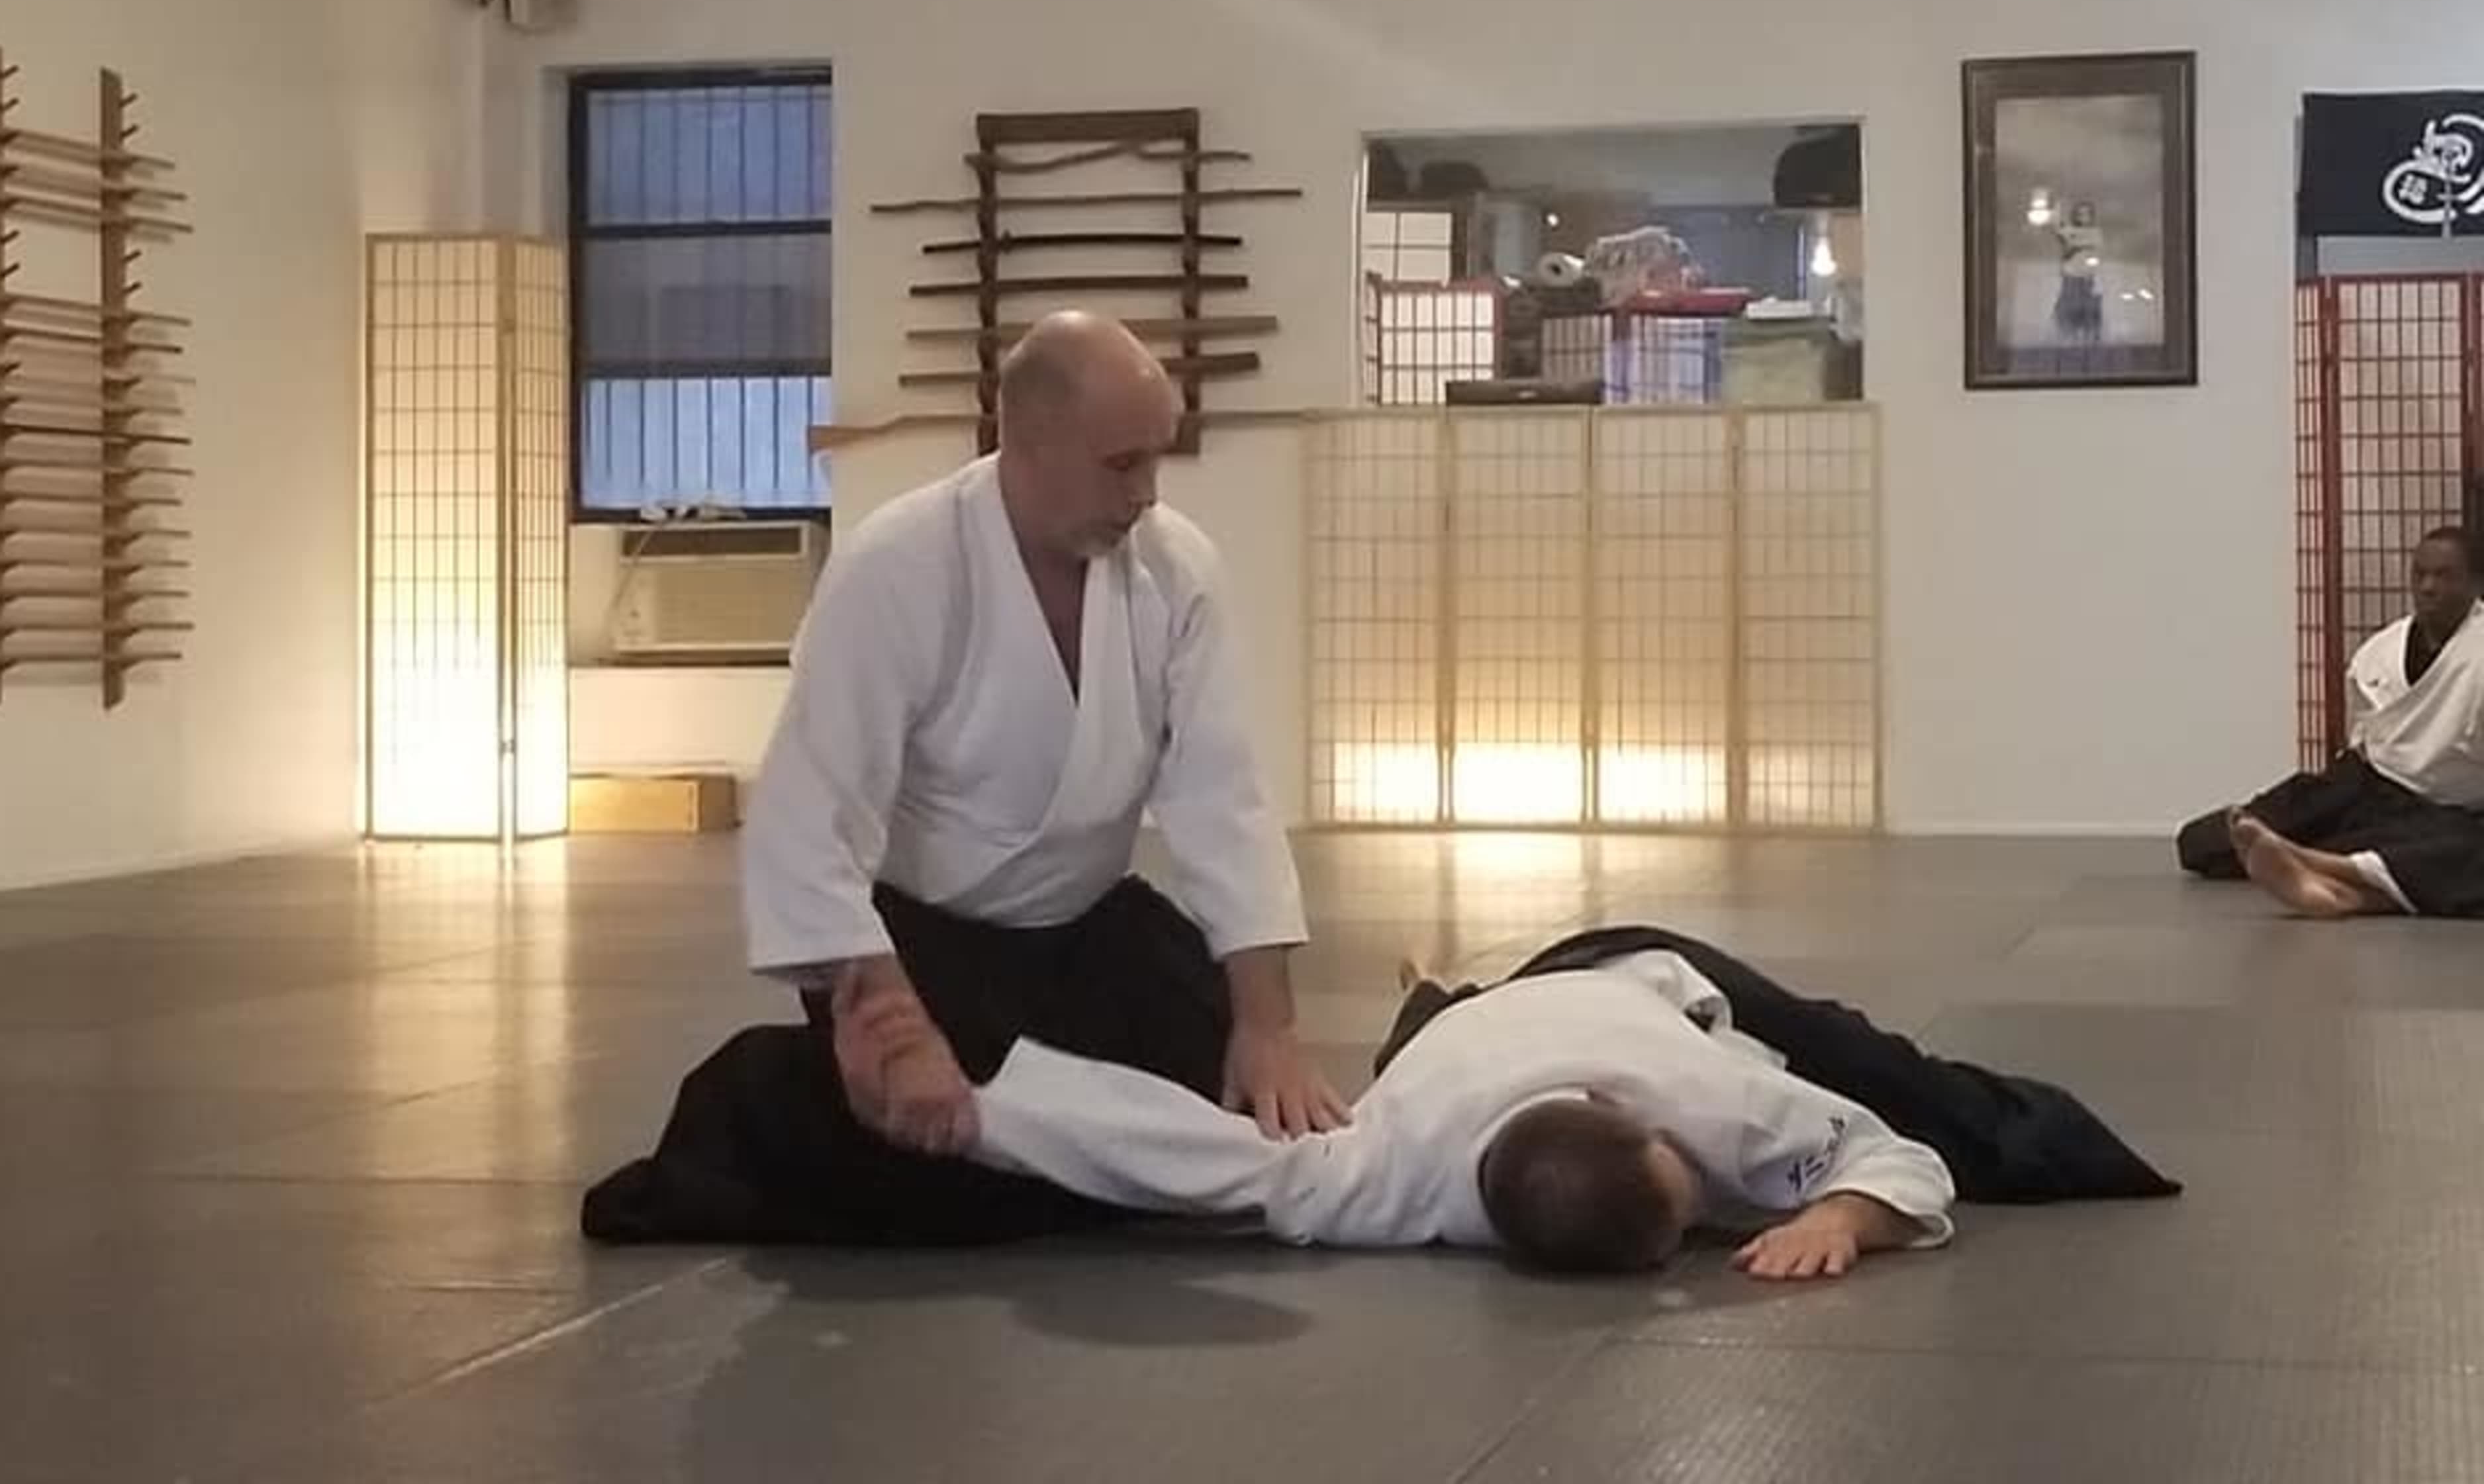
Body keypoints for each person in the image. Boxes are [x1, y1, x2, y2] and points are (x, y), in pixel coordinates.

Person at [581, 311, 1344, 1248]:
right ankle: (755, 1104)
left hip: (1084, 931)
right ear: (1028, 444)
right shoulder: (901, 566)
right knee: (944, 1147)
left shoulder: (1176, 570)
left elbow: (1221, 795)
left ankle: (979, 1126)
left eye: (1157, 461)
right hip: (917, 946)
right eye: (1121, 465)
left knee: (1223, 1107)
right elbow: (810, 814)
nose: (1147, 494)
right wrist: (893, 1027)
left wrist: (1267, 1024)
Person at [901, 925, 2177, 1280]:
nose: (1711, 1214)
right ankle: (1433, 996)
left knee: (1906, 1081)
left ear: (1647, 1135)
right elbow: (1214, 1162)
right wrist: (991, 1114)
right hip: (1468, 1050)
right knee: (1437, 1031)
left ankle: (1435, 995)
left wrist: (1850, 1214)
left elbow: (1892, 1149)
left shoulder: (1701, 1099)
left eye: (1688, 1203)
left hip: (1629, 973)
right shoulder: (1397, 1179)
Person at [2176, 526, 2484, 919]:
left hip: (2438, 809)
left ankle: (2313, 864)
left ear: (2476, 584)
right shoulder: (2382, 650)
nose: (2428, 587)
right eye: (2420, 574)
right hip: (2365, 784)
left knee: (2455, 846)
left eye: (2444, 576)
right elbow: (2363, 737)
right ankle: (2318, 866)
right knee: (2205, 844)